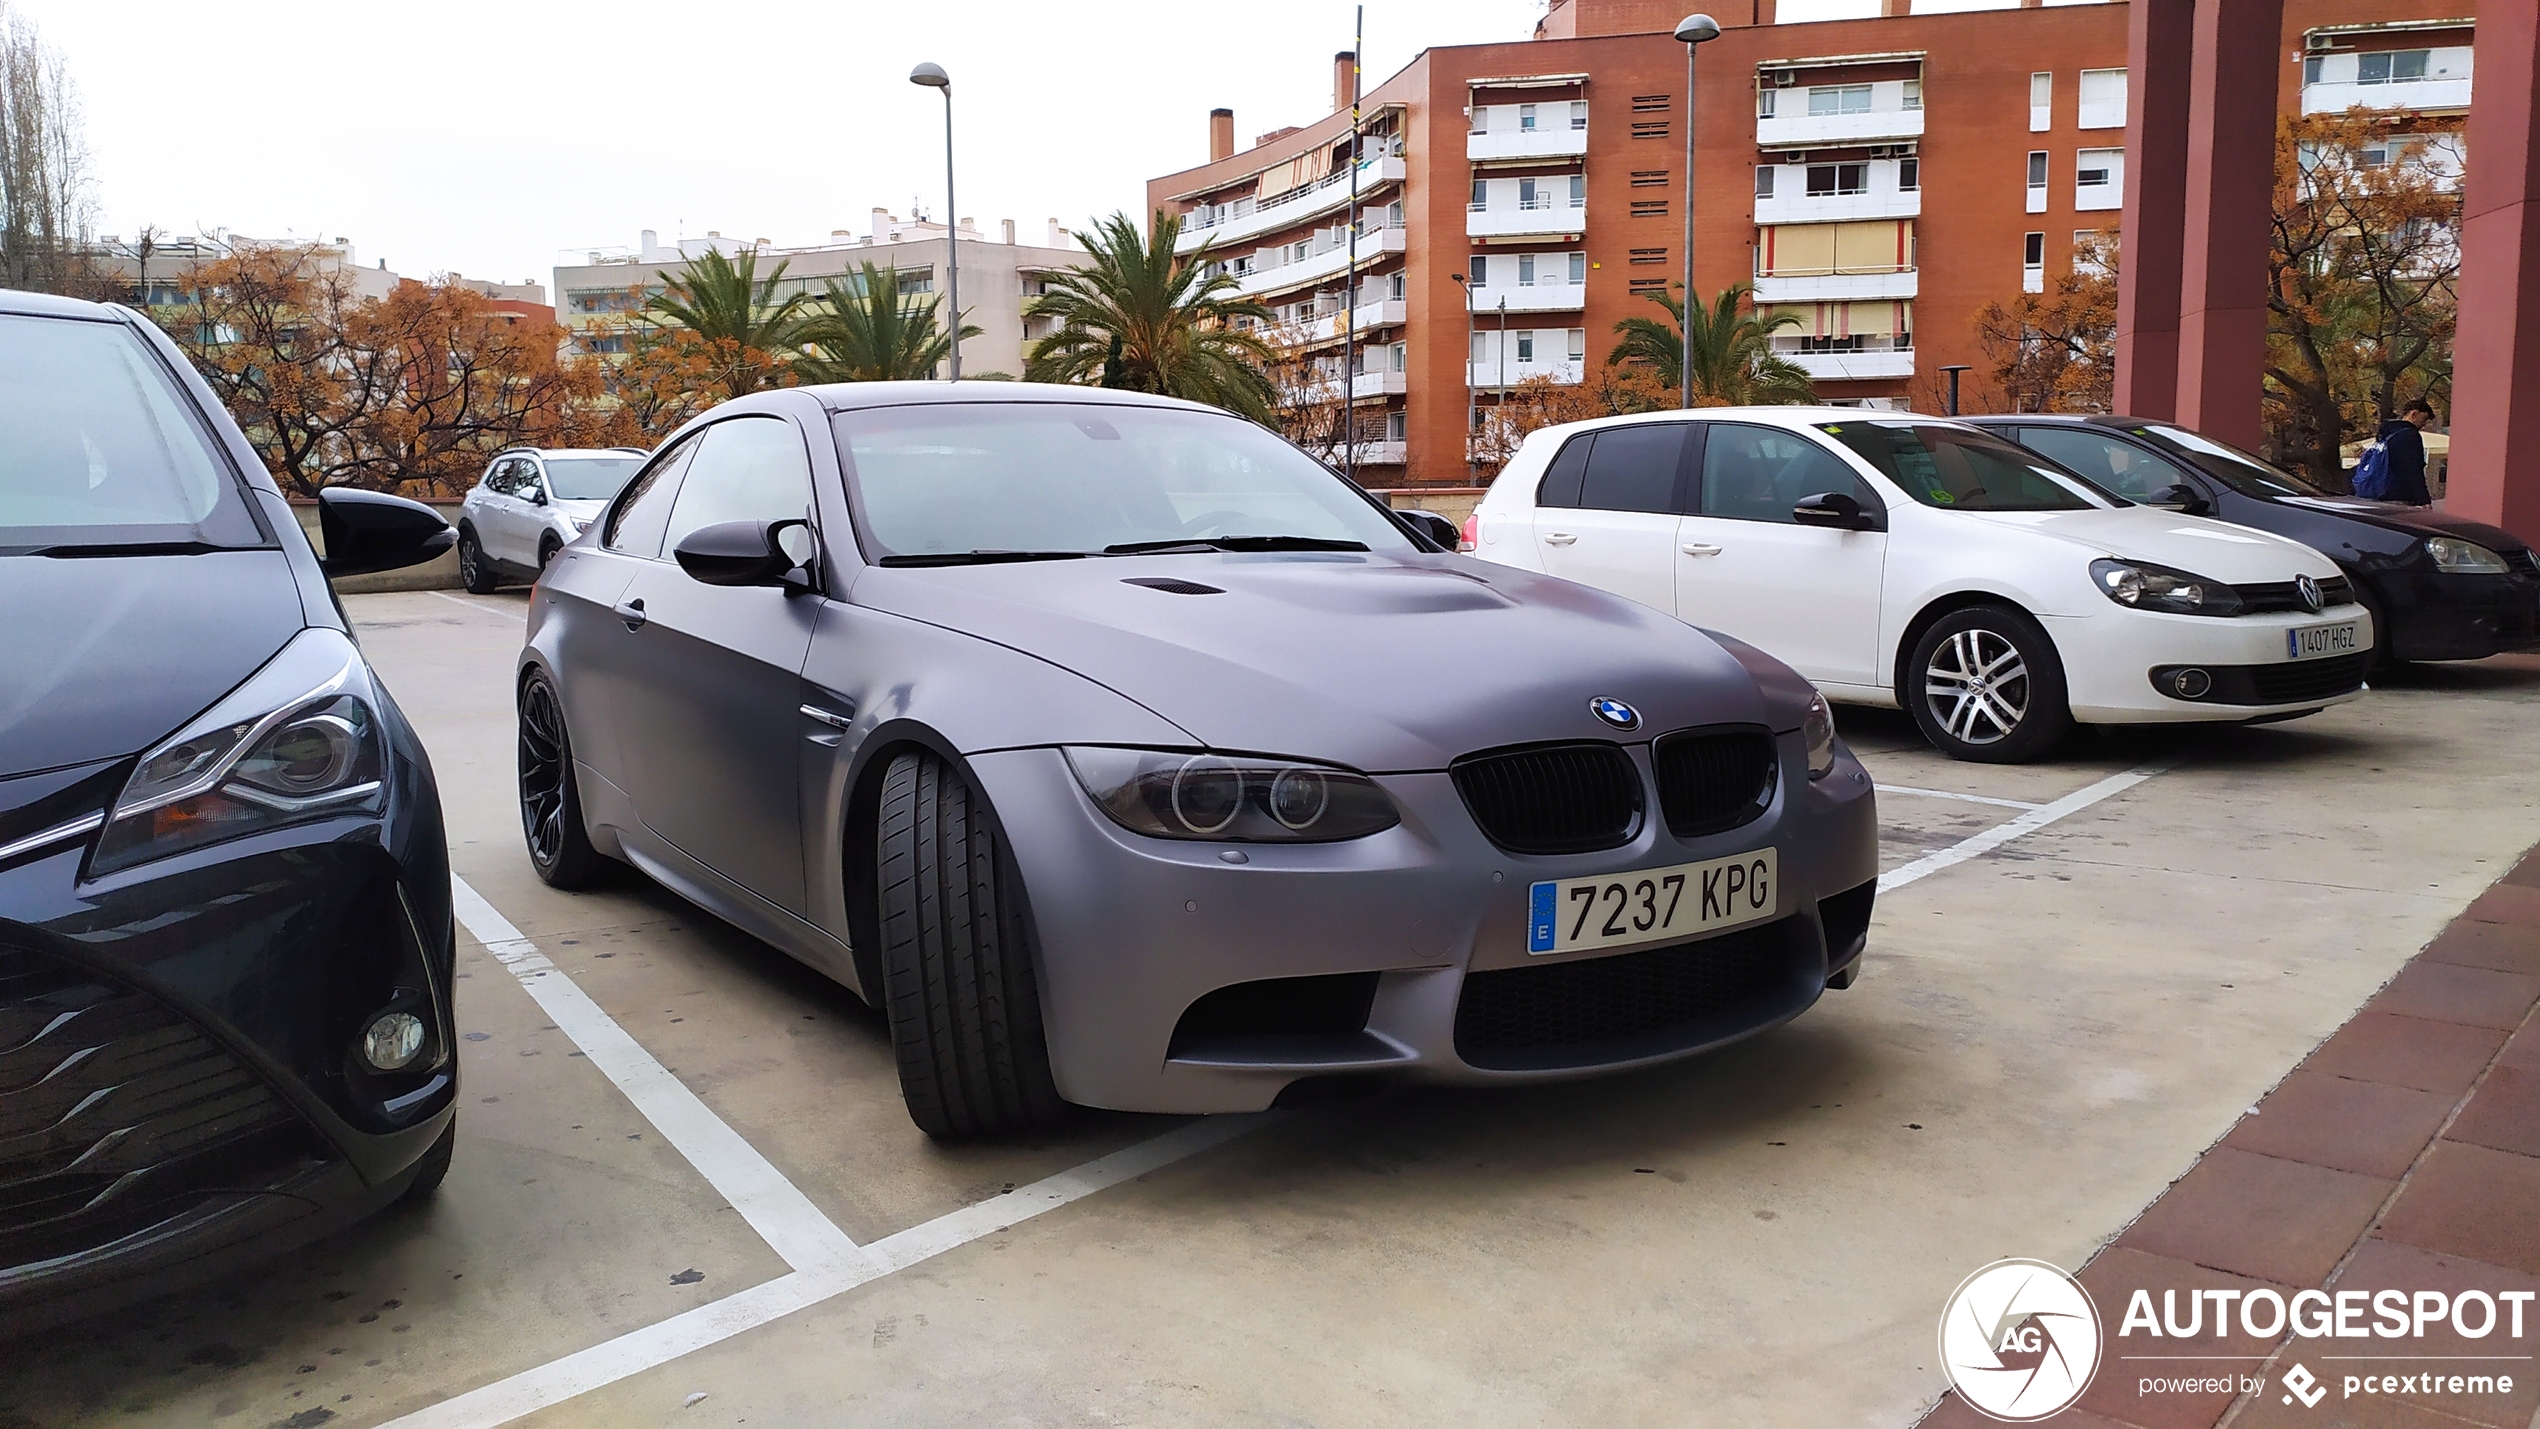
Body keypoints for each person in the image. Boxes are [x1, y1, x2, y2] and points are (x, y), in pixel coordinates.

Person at [2375, 399, 2437, 506]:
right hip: (2401, 496)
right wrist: (2423, 499)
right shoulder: (2410, 435)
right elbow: (2413, 469)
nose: (2424, 425)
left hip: (2379, 493)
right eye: (2424, 419)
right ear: (2414, 414)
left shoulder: (2385, 434)